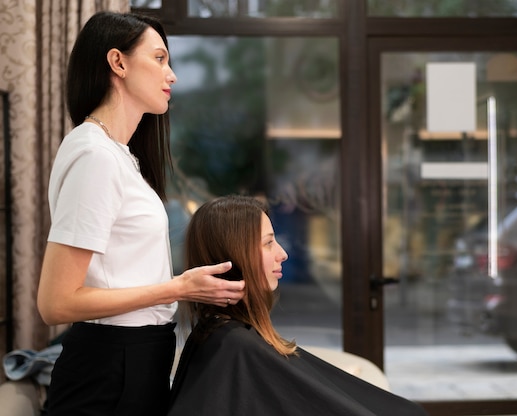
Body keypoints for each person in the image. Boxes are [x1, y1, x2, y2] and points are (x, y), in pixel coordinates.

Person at [36, 12, 245, 416]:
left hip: (136, 359)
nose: (173, 75)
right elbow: (56, 302)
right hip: (110, 367)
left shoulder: (117, 155)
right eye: (160, 58)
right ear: (118, 63)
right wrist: (179, 289)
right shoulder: (95, 155)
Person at [168, 195, 428, 416]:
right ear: (235, 255)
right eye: (268, 243)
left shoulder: (226, 337)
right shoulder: (235, 346)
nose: (282, 253)